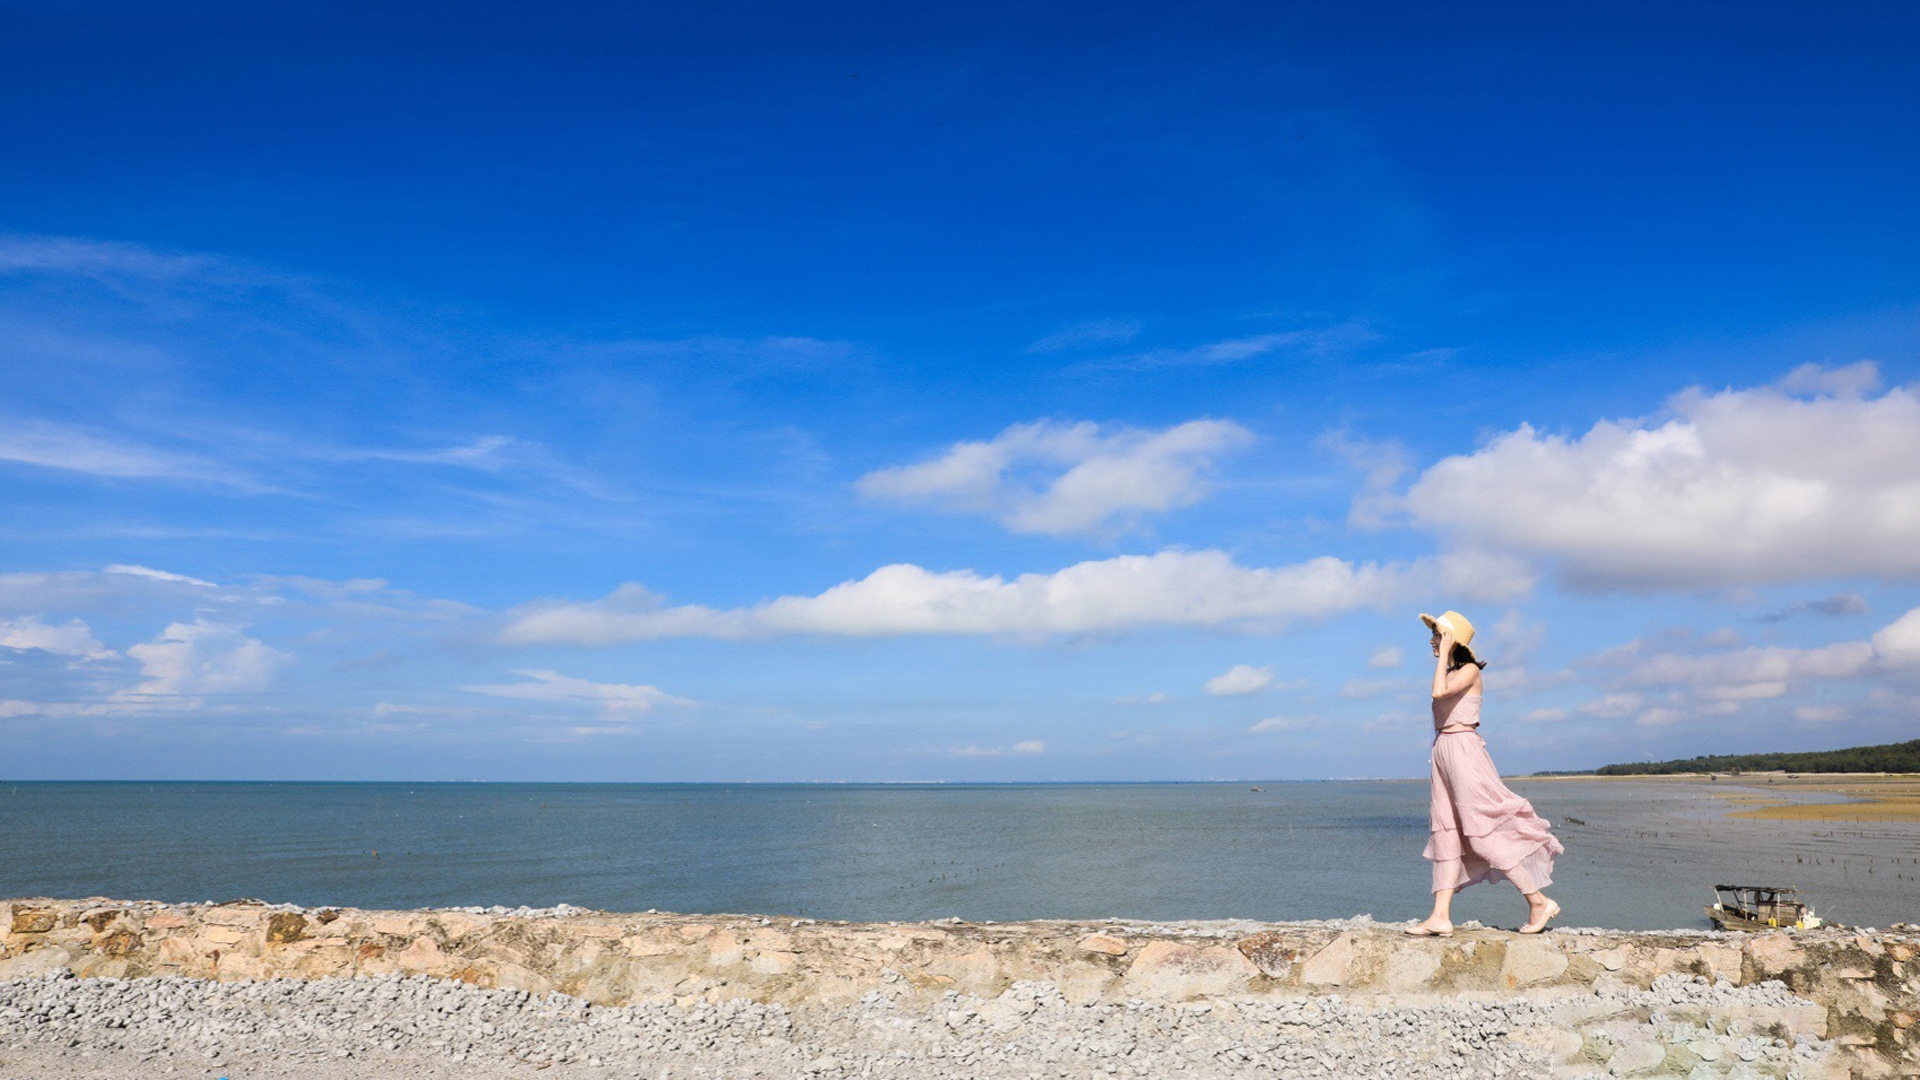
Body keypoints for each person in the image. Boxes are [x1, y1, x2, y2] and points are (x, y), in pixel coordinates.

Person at [1405, 610, 1564, 936]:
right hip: (1444, 751)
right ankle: (1440, 915)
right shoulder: (1451, 671)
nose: (1431, 641)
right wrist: (1444, 656)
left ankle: (1537, 901)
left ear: (1452, 641)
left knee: (1480, 832)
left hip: (1464, 750)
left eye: (1437, 635)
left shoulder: (1470, 670)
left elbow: (1437, 693)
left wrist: (1446, 652)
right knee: (1446, 831)